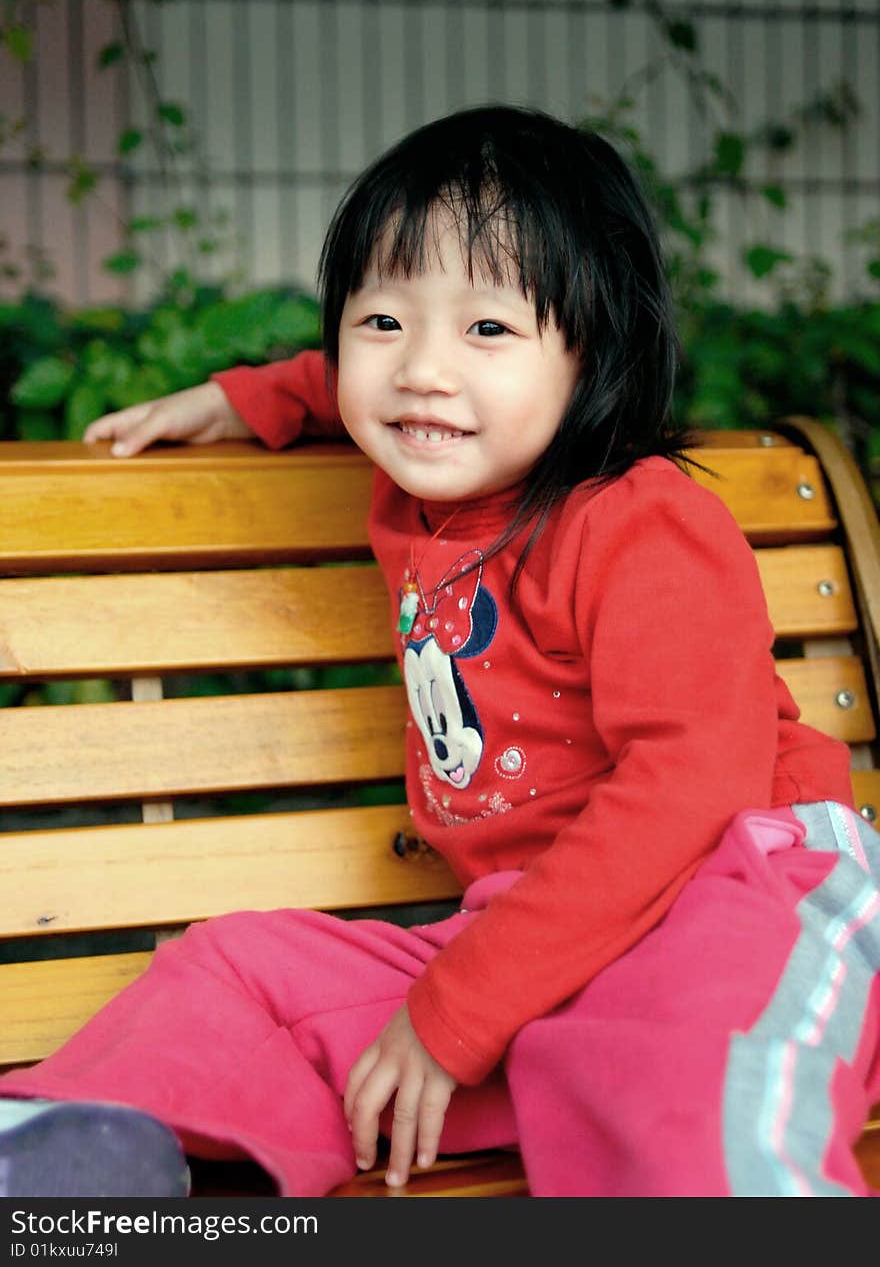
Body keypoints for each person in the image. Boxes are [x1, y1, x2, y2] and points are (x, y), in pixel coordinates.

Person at [2, 104, 878, 1199]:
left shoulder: (639, 522)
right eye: (382, 321)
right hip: (525, 928)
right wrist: (248, 399)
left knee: (681, 1076)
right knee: (237, 970)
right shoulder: (432, 442)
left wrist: (457, 1013)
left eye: (488, 330)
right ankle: (68, 1153)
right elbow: (354, 378)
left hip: (734, 885)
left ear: (592, 353)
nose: (420, 370)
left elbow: (688, 790)